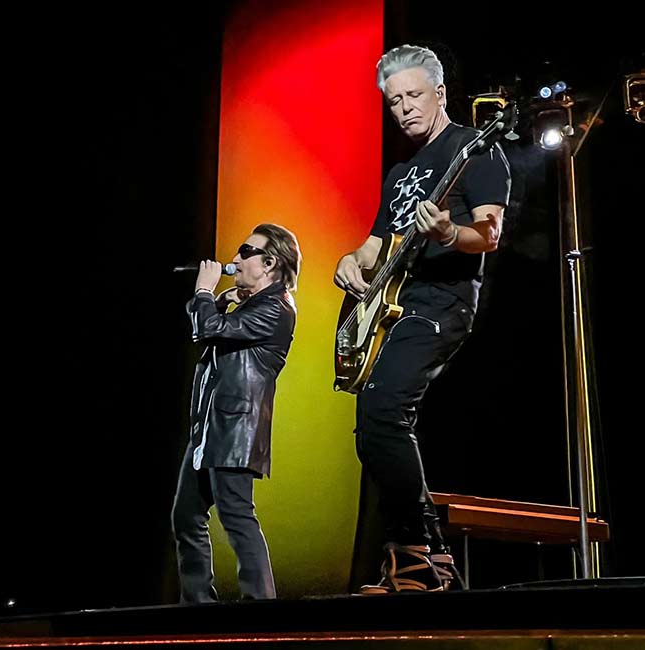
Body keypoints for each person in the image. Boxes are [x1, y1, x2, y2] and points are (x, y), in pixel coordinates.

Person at [334, 44, 510, 593]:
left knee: (385, 408)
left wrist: (447, 234)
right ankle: (425, 558)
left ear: (440, 93)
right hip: (395, 304)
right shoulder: (401, 172)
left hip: (444, 302)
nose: (404, 108)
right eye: (394, 101)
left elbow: (488, 235)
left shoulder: (474, 151)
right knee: (372, 423)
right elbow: (374, 246)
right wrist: (349, 261)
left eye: (414, 95)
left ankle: (418, 555)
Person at [172, 223, 302, 602]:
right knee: (186, 518)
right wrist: (217, 300)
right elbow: (212, 329)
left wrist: (203, 291)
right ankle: (197, 604)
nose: (236, 258)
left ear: (269, 263)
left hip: (235, 430)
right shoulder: (252, 304)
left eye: (246, 252)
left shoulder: (276, 308)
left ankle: (260, 607)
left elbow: (208, 329)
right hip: (211, 429)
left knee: (237, 516)